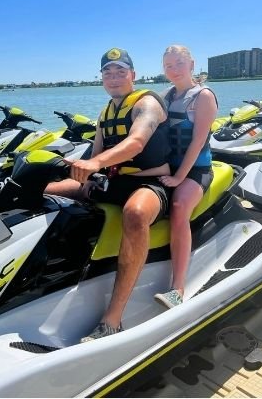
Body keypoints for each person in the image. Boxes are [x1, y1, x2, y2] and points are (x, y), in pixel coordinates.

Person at [44, 47, 171, 340]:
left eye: (120, 71)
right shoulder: (106, 111)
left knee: (135, 213)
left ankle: (112, 320)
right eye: (108, 72)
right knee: (45, 189)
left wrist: (96, 163)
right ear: (101, 78)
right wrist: (79, 170)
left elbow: (137, 141)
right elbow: (97, 152)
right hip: (112, 182)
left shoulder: (147, 103)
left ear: (133, 75)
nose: (113, 77)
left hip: (150, 183)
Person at [155, 46, 216, 310]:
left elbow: (198, 140)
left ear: (191, 64)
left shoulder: (203, 97)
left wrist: (179, 177)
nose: (174, 69)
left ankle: (177, 287)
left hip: (195, 170)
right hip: (168, 169)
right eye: (168, 65)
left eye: (179, 63)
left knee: (179, 208)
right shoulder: (164, 97)